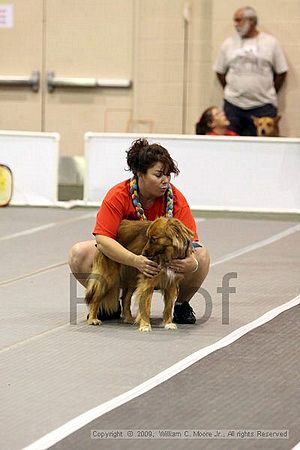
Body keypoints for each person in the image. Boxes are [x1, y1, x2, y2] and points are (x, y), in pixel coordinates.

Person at [69, 138, 210, 324]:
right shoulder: (118, 195)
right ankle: (109, 302)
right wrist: (135, 260)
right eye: (158, 175)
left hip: (165, 265)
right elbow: (103, 239)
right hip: (128, 261)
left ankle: (181, 305)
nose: (165, 181)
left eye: (168, 175)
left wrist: (191, 263)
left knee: (202, 257)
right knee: (79, 253)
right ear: (140, 174)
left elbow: (190, 241)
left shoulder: (175, 199)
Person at [214, 6, 288, 136]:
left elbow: (281, 72)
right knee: (231, 147)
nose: (235, 24)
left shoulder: (270, 43)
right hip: (233, 105)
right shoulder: (228, 43)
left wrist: (268, 91)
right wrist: (232, 89)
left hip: (263, 106)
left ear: (252, 21)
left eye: (239, 20)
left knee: (262, 149)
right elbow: (220, 72)